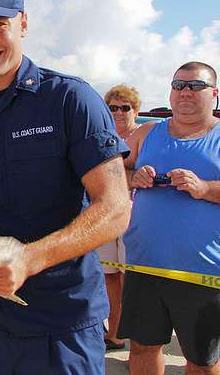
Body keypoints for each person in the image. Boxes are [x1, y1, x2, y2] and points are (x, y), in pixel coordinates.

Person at [0, 0, 131, 374]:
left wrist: (29, 259)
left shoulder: (71, 100)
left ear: (23, 23)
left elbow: (115, 209)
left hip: (62, 322)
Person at [119, 61, 220, 374]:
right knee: (142, 347)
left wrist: (204, 187)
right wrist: (132, 176)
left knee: (201, 360)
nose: (184, 92)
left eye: (195, 86)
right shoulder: (146, 133)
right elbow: (110, 172)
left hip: (203, 271)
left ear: (215, 94)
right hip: (145, 264)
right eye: (178, 86)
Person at [97, 84, 151, 351]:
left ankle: (139, 342)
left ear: (135, 110)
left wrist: (120, 178)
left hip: (135, 217)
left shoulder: (145, 138)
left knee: (130, 279)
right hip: (106, 216)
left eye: (124, 107)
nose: (118, 112)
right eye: (113, 107)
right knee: (109, 276)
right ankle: (115, 332)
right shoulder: (102, 137)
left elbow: (143, 179)